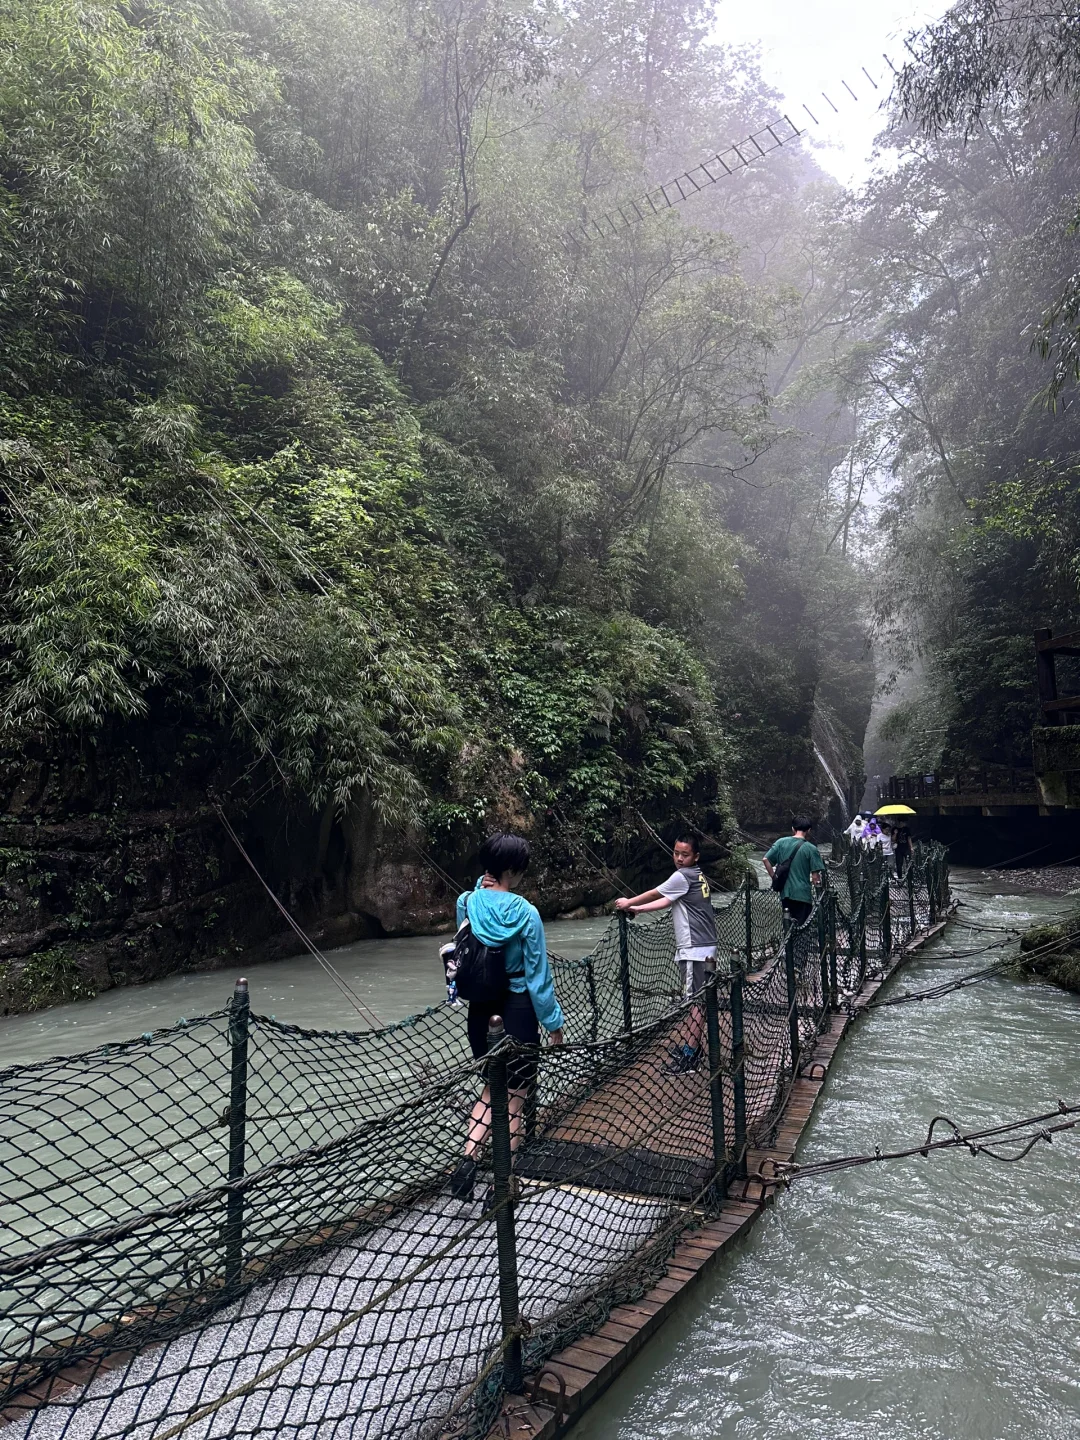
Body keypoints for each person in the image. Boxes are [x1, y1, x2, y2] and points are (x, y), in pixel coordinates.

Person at [449, 833, 565, 1202]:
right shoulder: (526, 913)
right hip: (517, 1011)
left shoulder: (466, 901)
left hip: (480, 1010)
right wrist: (553, 1024)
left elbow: (469, 936)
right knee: (515, 1096)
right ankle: (504, 1181)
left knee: (490, 1087)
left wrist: (478, 885)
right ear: (513, 871)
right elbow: (537, 977)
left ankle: (468, 1159)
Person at [615, 831, 716, 1072]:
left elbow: (657, 892)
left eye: (685, 854)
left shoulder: (682, 876)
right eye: (676, 853)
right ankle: (693, 1047)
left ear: (696, 856)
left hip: (695, 949)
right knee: (697, 999)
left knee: (694, 1002)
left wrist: (629, 902)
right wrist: (639, 910)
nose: (679, 858)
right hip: (704, 946)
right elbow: (667, 900)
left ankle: (691, 1055)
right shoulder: (697, 875)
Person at [763, 818, 825, 926]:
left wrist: (774, 877)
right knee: (802, 927)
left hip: (785, 894)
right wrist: (820, 895)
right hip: (803, 894)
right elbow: (815, 878)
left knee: (788, 925)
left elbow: (765, 859)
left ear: (793, 828)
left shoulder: (780, 842)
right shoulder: (811, 849)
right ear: (809, 830)